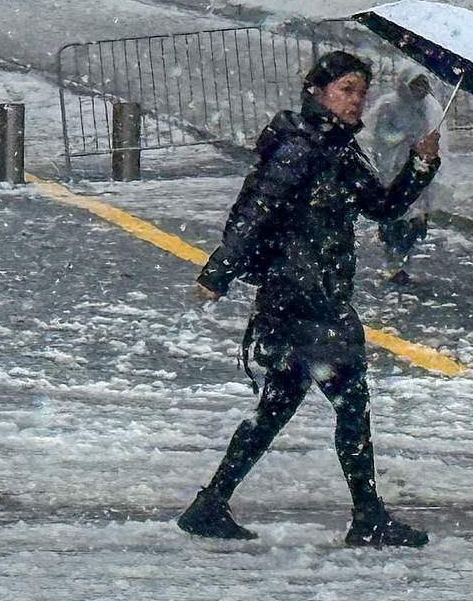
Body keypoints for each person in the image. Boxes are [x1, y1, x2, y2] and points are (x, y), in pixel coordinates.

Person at [179, 50, 440, 549]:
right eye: (346, 89)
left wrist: (421, 163)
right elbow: (256, 210)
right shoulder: (301, 147)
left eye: (361, 91)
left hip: (311, 296)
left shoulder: (338, 149)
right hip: (303, 300)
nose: (356, 100)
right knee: (350, 402)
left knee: (278, 407)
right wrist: (218, 272)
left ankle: (210, 504)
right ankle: (367, 518)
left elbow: (382, 207)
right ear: (317, 92)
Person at [367, 73, 441, 285]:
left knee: (414, 220)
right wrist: (404, 138)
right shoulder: (389, 105)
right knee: (394, 215)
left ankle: (402, 262)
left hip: (414, 168)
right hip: (393, 169)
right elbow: (381, 135)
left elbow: (422, 132)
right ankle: (393, 263)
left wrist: (426, 143)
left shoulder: (421, 109)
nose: (420, 92)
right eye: (416, 87)